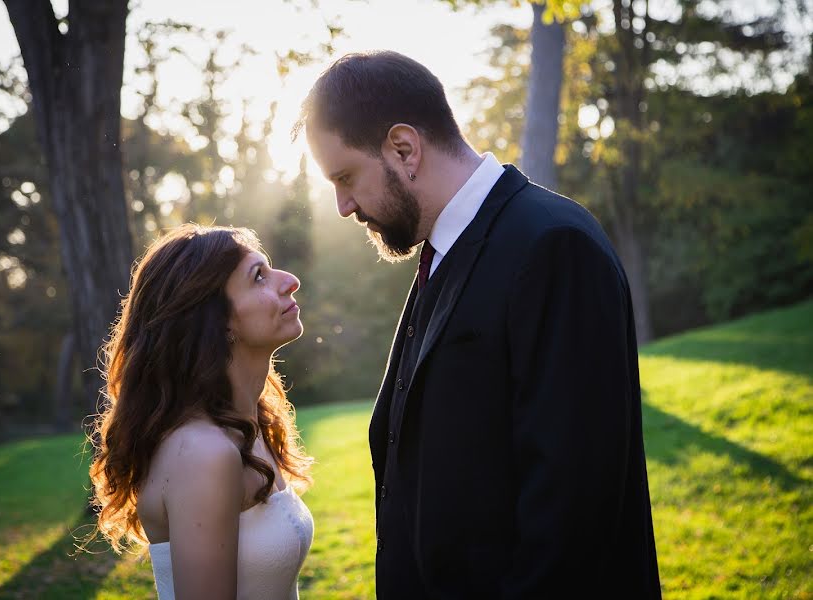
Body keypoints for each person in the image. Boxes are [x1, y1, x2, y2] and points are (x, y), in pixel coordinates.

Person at [294, 50, 661, 598]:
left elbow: (571, 515)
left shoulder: (552, 245)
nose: (343, 205)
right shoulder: (441, 254)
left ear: (404, 147)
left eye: (345, 177)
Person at [88, 224, 314, 600]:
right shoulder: (202, 453)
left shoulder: (252, 424)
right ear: (216, 321)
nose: (289, 281)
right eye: (258, 276)